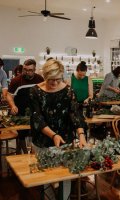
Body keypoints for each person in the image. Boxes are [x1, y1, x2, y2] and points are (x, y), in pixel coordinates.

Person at [29, 59, 87, 200]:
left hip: (64, 140)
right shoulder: (35, 92)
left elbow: (75, 114)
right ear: (45, 76)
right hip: (42, 140)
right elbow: (37, 119)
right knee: (45, 177)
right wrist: (53, 135)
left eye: (58, 79)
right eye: (51, 80)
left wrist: (81, 135)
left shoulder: (68, 91)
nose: (54, 83)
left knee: (65, 174)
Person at [6, 59, 44, 154]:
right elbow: (9, 95)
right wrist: (13, 105)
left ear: (34, 69)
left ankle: (31, 155)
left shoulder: (40, 79)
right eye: (25, 69)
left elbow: (43, 93)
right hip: (21, 113)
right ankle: (24, 154)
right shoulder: (16, 81)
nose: (27, 72)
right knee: (21, 135)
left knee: (36, 133)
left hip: (35, 112)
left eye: (30, 70)